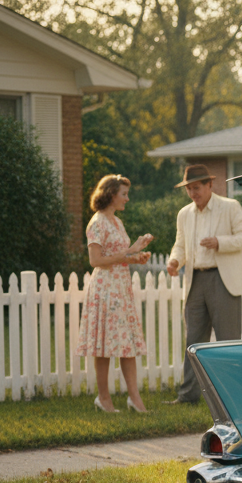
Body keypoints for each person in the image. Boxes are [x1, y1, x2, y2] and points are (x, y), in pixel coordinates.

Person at [165, 164, 242, 404]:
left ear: (209, 185)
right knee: (193, 340)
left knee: (228, 339)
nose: (193, 193)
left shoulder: (230, 207)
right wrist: (174, 260)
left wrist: (219, 242)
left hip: (223, 279)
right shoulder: (184, 214)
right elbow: (180, 244)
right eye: (189, 189)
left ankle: (232, 397)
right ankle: (188, 395)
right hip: (195, 280)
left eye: (197, 187)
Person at [77, 175, 153, 413]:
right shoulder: (97, 223)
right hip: (105, 290)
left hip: (121, 287)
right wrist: (129, 252)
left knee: (126, 344)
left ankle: (135, 399)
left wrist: (135, 258)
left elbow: (120, 255)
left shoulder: (117, 223)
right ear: (111, 194)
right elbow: (95, 260)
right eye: (124, 194)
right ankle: (103, 398)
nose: (127, 199)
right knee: (105, 347)